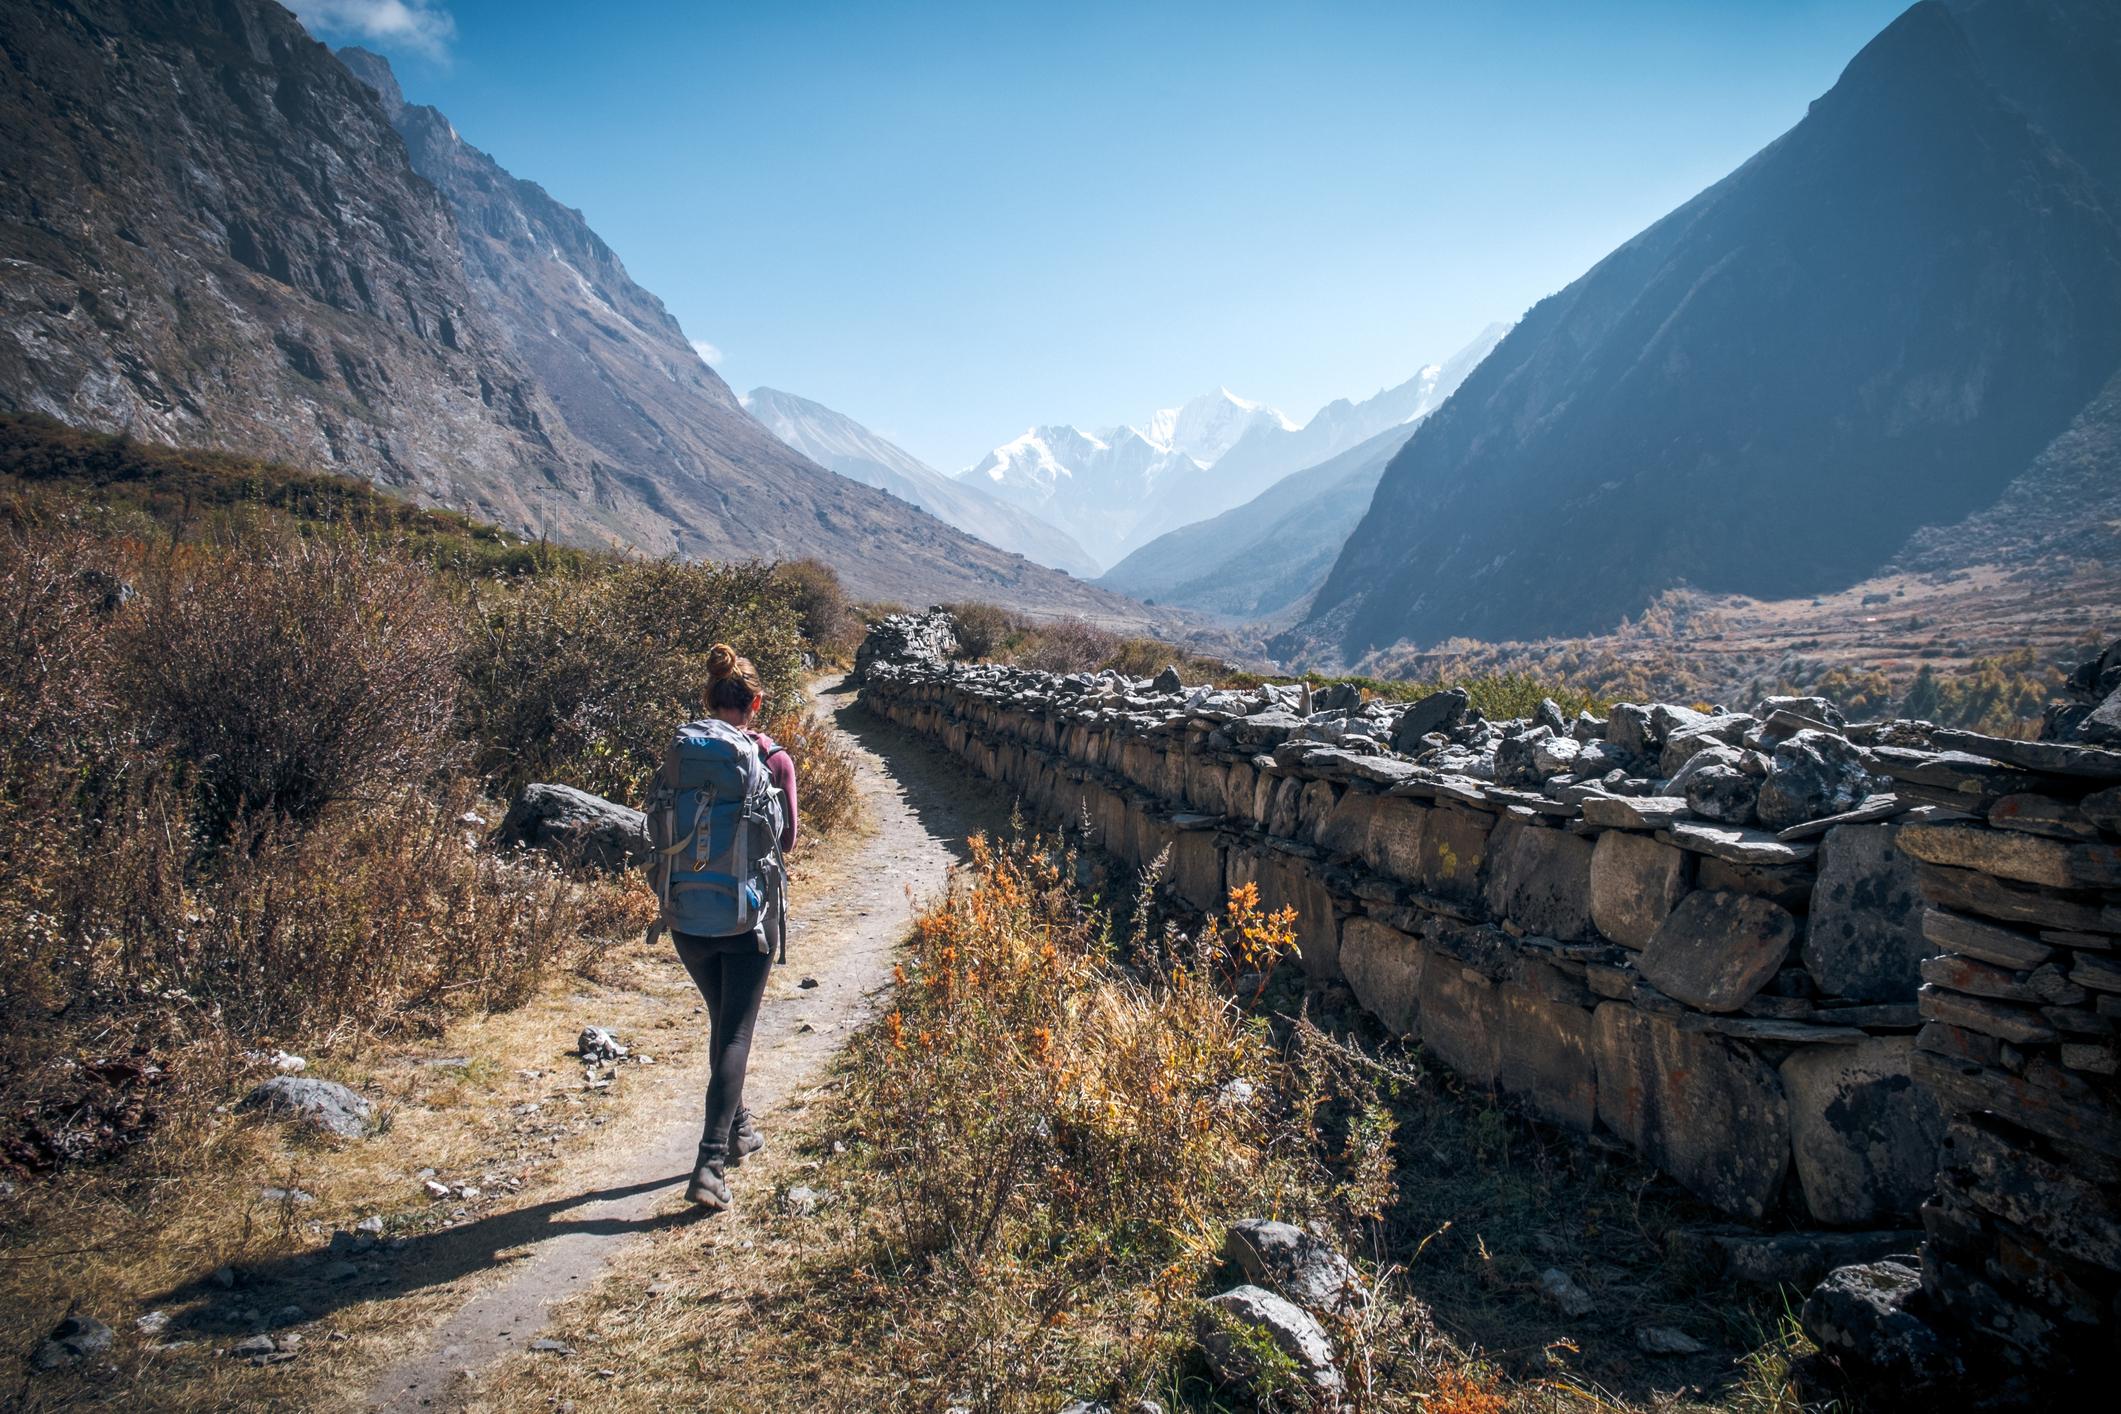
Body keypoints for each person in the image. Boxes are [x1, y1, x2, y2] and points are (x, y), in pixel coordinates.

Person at [671, 644, 798, 1210]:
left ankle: (740, 1127)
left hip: (685, 917)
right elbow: (788, 839)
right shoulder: (772, 758)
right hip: (746, 916)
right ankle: (710, 1163)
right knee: (735, 1034)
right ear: (756, 702)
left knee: (722, 1022)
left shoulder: (684, 751)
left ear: (708, 699)